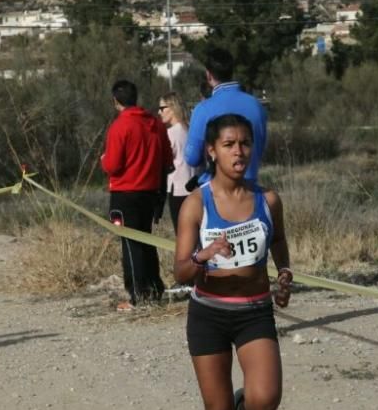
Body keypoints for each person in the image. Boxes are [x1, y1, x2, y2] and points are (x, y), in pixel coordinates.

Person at [173, 114, 293, 410]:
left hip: (254, 312)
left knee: (266, 399)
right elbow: (180, 271)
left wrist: (285, 274)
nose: (238, 151)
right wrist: (202, 257)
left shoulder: (268, 200)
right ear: (212, 151)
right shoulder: (196, 204)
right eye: (229, 144)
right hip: (208, 314)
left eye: (244, 143)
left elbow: (277, 241)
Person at [100, 79, 170, 310]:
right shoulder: (156, 124)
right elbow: (167, 160)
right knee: (146, 240)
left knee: (130, 243)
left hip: (125, 192)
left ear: (115, 101)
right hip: (150, 191)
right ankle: (154, 286)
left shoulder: (120, 126)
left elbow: (112, 165)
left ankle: (137, 293)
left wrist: (103, 161)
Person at [184, 48, 268, 188]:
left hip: (216, 190)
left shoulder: (203, 109)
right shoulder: (256, 106)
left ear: (208, 75)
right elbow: (260, 149)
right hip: (250, 188)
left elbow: (192, 158)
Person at [158, 92, 194, 232]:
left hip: (178, 188)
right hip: (196, 187)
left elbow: (163, 161)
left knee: (182, 234)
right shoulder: (191, 129)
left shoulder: (170, 134)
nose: (159, 112)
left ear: (172, 108)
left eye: (162, 108)